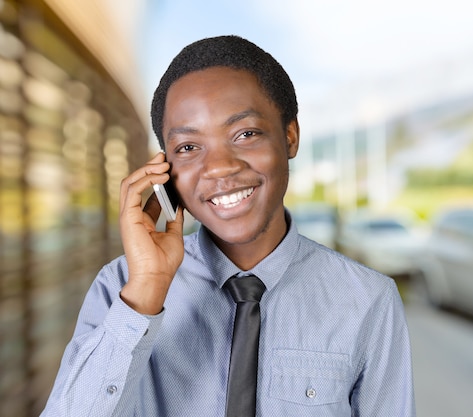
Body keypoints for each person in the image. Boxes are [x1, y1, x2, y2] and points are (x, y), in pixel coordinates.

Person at [41, 35, 416, 416]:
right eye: (188, 147)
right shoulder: (120, 288)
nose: (219, 166)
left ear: (290, 136)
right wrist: (146, 292)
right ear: (164, 170)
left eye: (246, 134)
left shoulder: (368, 300)